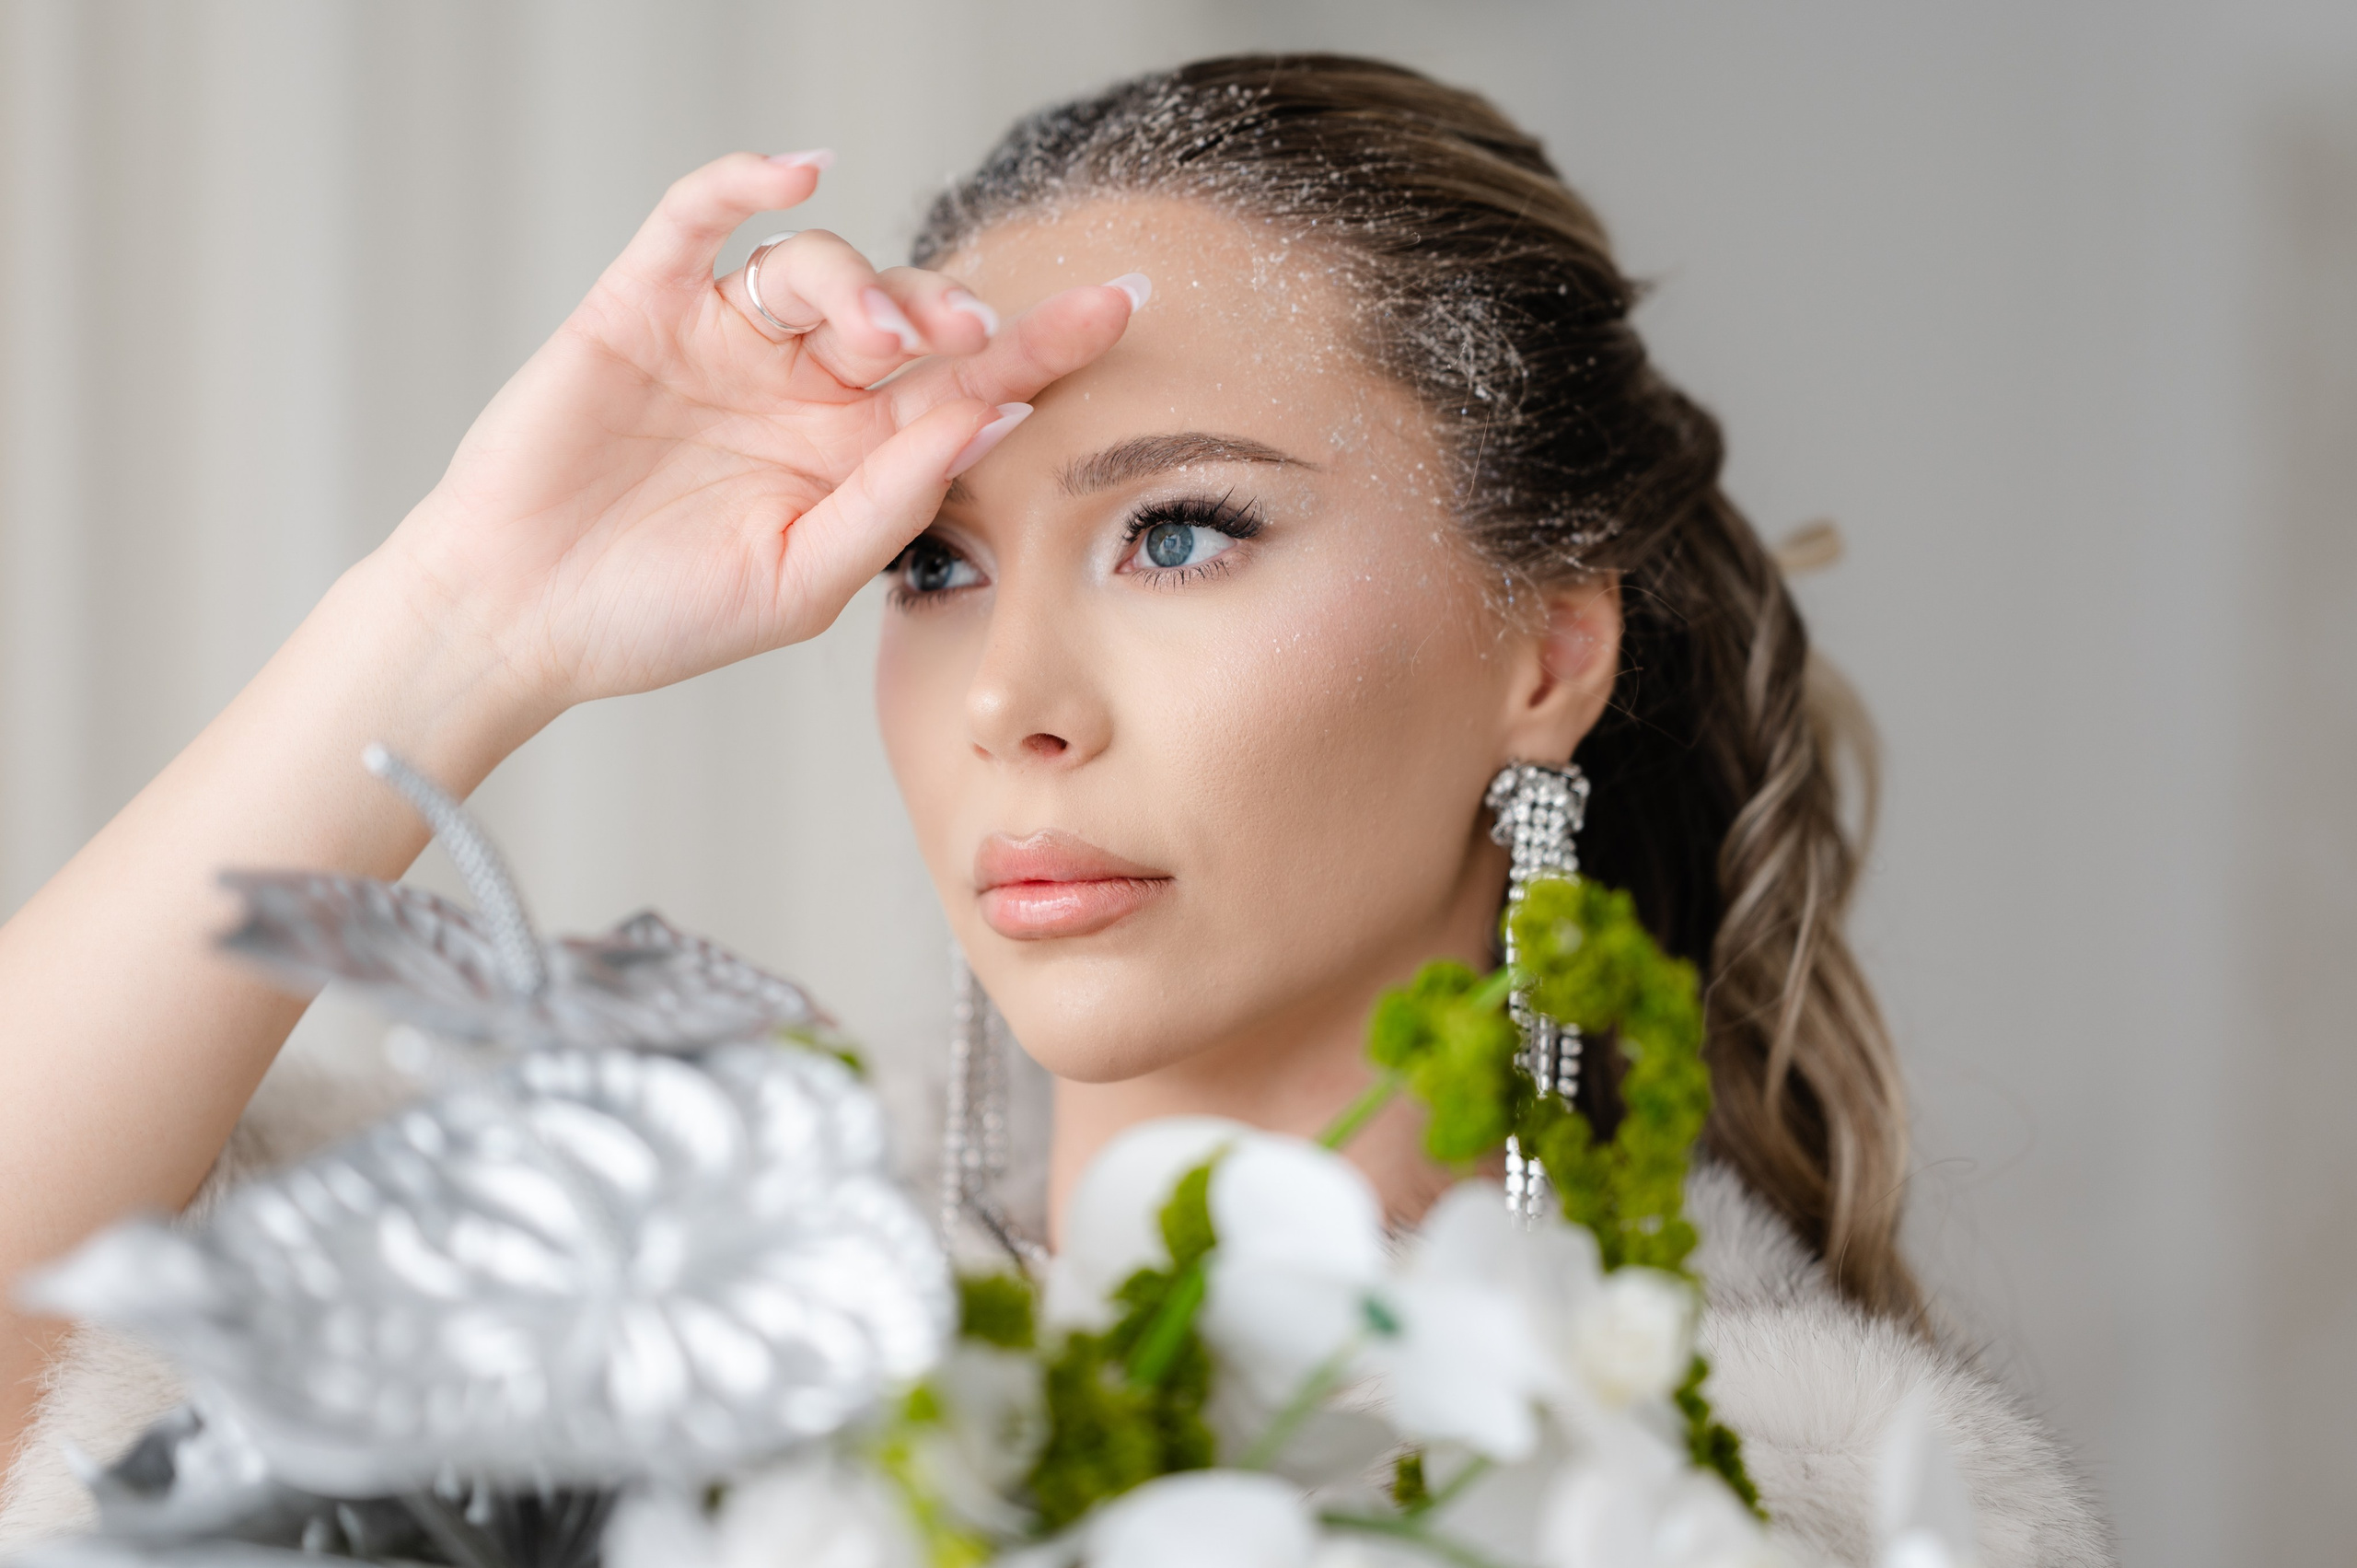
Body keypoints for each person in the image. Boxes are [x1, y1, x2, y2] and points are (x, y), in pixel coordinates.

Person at [0, 54, 2111, 1564]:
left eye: (1178, 532)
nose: (1007, 697)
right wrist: (460, 614)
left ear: (1544, 651)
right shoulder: (559, 1297)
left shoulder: (1815, 1516)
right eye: (933, 561)